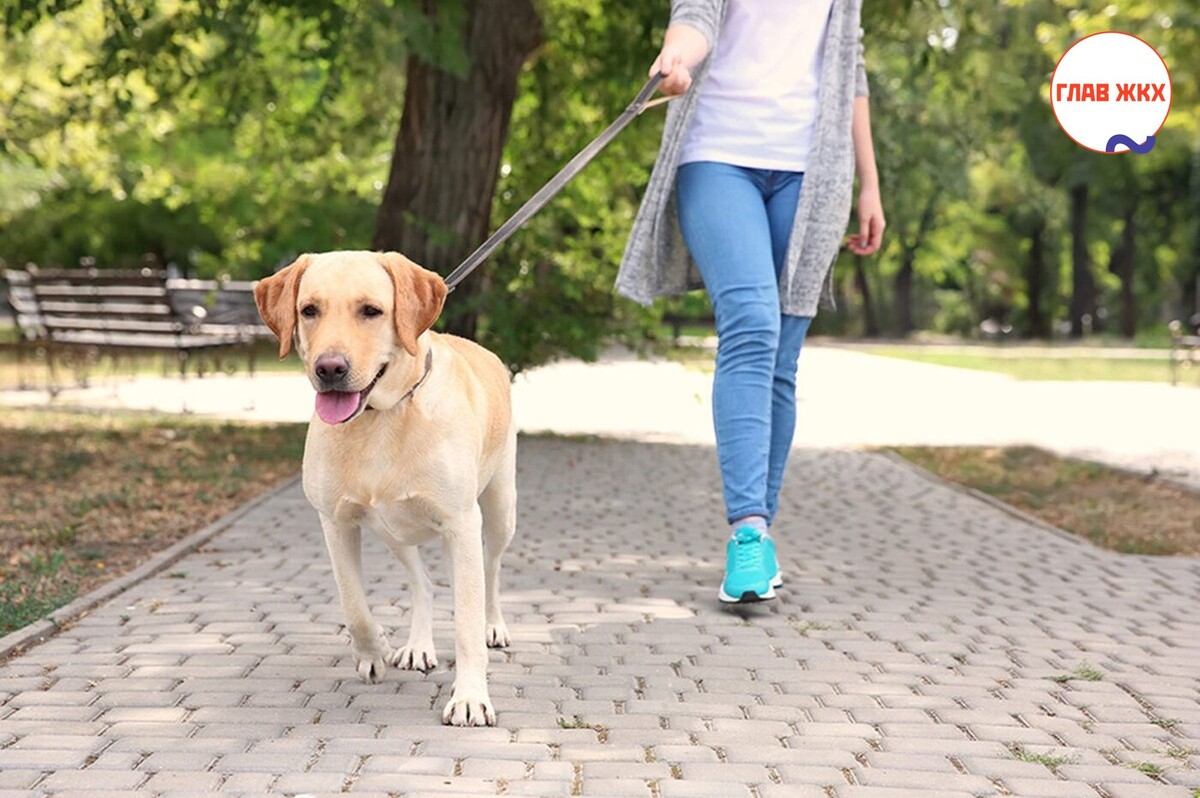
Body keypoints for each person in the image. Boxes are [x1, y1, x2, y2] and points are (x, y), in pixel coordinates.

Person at [616, 0, 885, 604]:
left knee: (782, 361)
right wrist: (676, 58)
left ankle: (761, 534)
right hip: (717, 155)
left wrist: (870, 184)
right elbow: (696, 16)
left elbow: (850, 64)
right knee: (752, 326)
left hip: (812, 172)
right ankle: (747, 532)